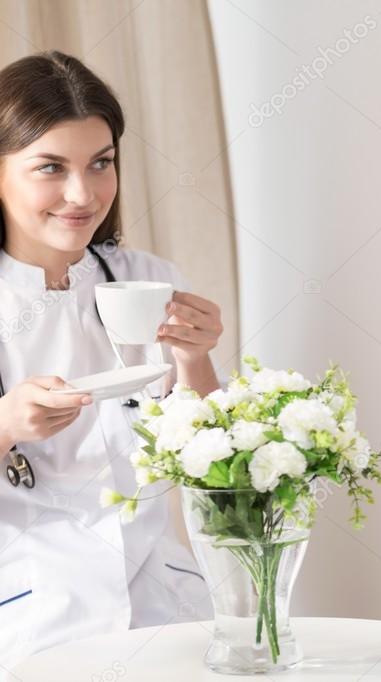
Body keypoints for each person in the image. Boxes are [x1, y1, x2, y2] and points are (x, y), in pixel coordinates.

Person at [0, 51, 223, 675]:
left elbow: (214, 460)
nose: (84, 194)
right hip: (30, 616)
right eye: (51, 167)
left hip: (163, 603)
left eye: (102, 163)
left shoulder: (148, 280)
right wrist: (6, 426)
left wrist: (196, 362)